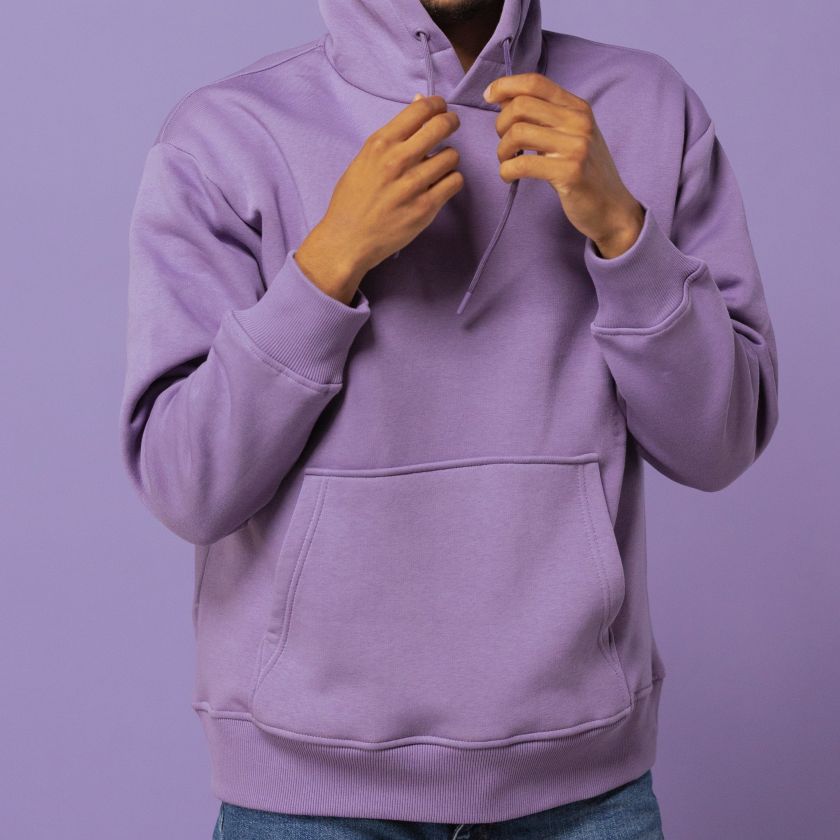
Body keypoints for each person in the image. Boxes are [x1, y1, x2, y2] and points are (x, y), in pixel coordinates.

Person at [118, 0, 780, 837]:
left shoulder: (645, 107)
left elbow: (719, 443)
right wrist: (328, 263)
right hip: (308, 799)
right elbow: (187, 486)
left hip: (584, 795)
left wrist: (623, 231)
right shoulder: (225, 135)